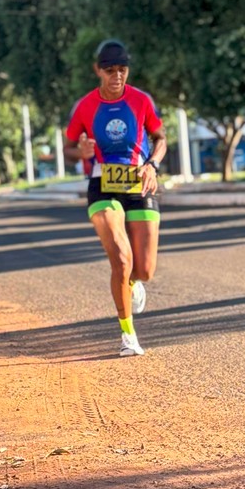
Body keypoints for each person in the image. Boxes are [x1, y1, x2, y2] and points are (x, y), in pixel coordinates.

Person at [64, 39, 167, 357]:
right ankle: (128, 335)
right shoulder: (84, 107)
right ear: (98, 70)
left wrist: (153, 165)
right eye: (110, 70)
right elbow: (68, 148)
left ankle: (135, 284)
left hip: (139, 184)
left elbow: (160, 137)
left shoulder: (141, 101)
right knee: (121, 260)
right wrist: (78, 152)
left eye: (122, 70)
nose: (116, 76)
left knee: (144, 269)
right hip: (102, 185)